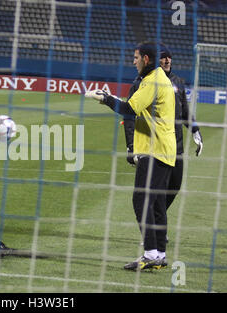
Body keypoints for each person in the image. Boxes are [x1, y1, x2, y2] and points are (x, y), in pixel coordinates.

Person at [86, 41, 176, 271]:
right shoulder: (157, 78)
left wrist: (105, 98)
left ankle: (150, 254)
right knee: (155, 204)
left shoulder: (153, 80)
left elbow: (129, 110)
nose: (133, 61)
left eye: (136, 57)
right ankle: (160, 256)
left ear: (146, 59)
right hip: (164, 149)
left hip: (155, 150)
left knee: (141, 199)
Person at [123, 43, 204, 213]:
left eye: (169, 57)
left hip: (176, 146)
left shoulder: (177, 82)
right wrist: (131, 146)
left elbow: (185, 111)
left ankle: (156, 218)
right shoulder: (141, 83)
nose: (167, 60)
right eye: (163, 57)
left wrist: (195, 130)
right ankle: (154, 227)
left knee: (174, 187)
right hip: (154, 147)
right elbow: (129, 115)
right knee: (155, 190)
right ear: (154, 60)